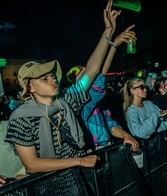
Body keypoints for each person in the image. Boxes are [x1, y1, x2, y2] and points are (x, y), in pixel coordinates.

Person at [4, 0, 120, 174]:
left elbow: (92, 70)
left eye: (52, 76)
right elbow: (32, 165)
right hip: (50, 186)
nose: (52, 79)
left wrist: (108, 32)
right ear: (30, 88)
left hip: (80, 175)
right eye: (44, 78)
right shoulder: (20, 118)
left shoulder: (66, 101)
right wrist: (79, 161)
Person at [68, 26, 139, 151]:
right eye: (85, 75)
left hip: (107, 148)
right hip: (93, 153)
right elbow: (100, 74)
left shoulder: (99, 105)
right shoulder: (80, 105)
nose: (90, 76)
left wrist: (125, 135)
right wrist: (114, 45)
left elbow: (111, 125)